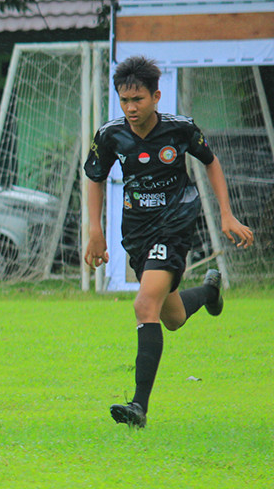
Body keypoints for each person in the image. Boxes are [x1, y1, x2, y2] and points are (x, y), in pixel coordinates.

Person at [84, 55, 254, 428]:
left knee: (145, 305)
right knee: (172, 317)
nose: (130, 108)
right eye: (124, 100)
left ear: (156, 96)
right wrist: (95, 230)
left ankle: (138, 408)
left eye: (138, 100)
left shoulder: (180, 129)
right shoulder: (110, 135)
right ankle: (209, 292)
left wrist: (226, 214)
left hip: (176, 224)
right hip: (137, 232)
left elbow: (210, 161)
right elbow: (95, 177)